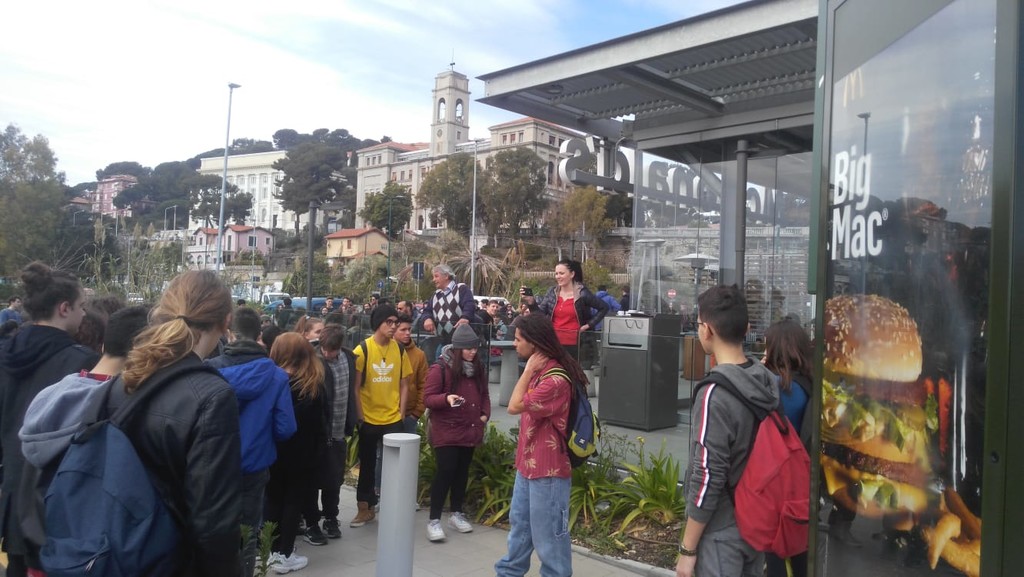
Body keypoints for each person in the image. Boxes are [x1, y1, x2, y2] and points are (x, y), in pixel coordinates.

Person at [112, 270, 243, 576]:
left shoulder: (125, 379)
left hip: (119, 549)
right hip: (170, 558)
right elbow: (213, 521)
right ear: (226, 321)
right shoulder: (212, 396)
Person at [18, 306, 149, 559]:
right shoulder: (123, 407)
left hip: (40, 547)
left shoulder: (51, 394)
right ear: (144, 354)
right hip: (92, 556)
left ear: (104, 346)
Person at [0, 263, 97, 576]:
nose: (84, 314)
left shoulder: (5, 354)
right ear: (64, 308)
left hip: (13, 495)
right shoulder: (82, 362)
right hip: (56, 500)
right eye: (81, 306)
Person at [675, 285, 779, 577]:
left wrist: (687, 549)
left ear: (707, 330)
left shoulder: (714, 393)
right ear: (746, 329)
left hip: (721, 531)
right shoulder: (765, 381)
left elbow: (708, 474)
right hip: (756, 520)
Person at [206, 307, 297, 577]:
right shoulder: (277, 376)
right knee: (248, 532)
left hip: (214, 464)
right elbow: (286, 427)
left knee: (213, 528)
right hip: (255, 465)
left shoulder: (210, 371)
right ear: (259, 335)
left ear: (230, 334)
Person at [494, 314, 582, 577]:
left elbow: (513, 406)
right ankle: (508, 572)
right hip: (528, 465)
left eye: (518, 339)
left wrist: (528, 370)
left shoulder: (555, 380)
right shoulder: (541, 371)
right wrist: (531, 370)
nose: (514, 344)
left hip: (548, 471)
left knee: (550, 536)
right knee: (520, 528)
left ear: (533, 342)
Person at [266, 333, 329, 574]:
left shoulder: (271, 380)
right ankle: (285, 554)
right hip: (303, 453)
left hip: (273, 450)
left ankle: (271, 551)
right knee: (293, 501)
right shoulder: (312, 384)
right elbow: (320, 422)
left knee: (273, 499)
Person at [423, 324, 491, 542]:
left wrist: (484, 415)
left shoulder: (478, 368)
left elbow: (485, 394)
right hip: (446, 429)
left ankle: (456, 513)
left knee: (462, 472)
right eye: (469, 348)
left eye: (475, 348)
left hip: (470, 428)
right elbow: (428, 398)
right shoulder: (440, 368)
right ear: (458, 348)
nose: (473, 352)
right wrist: (446, 398)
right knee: (446, 471)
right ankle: (434, 520)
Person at [351, 304, 411, 527]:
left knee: (396, 466)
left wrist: (401, 413)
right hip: (368, 418)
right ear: (378, 323)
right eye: (389, 322)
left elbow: (405, 384)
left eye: (396, 322)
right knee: (366, 466)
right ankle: (364, 508)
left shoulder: (400, 350)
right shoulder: (362, 350)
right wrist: (360, 416)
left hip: (393, 419)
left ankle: (394, 506)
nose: (394, 326)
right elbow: (355, 387)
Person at [761, 319, 813, 577]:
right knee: (799, 545)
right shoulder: (808, 384)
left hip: (774, 478)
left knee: (774, 548)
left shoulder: (775, 386)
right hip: (801, 476)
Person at [310, 325, 356, 540]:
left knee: (334, 478)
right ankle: (311, 520)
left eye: (332, 350)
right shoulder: (313, 360)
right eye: (325, 349)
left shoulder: (349, 358)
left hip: (339, 429)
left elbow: (353, 391)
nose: (328, 354)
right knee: (313, 479)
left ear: (340, 347)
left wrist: (353, 419)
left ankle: (331, 517)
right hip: (318, 431)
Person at [524, 259, 608, 362]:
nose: (558, 276)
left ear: (572, 274)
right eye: (556, 273)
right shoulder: (552, 292)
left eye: (561, 273)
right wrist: (531, 302)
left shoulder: (582, 293)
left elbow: (604, 307)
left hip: (576, 345)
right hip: (553, 343)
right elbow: (539, 315)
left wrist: (588, 325)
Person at [421, 264, 476, 349]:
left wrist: (465, 317)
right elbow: (427, 311)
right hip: (442, 341)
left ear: (446, 276)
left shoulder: (461, 288)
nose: (434, 280)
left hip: (460, 343)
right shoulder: (436, 295)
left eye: (436, 276)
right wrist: (427, 319)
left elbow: (469, 305)